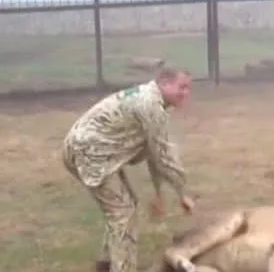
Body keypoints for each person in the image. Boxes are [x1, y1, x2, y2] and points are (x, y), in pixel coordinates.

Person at [62, 68, 197, 272]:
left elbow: (153, 151)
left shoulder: (153, 101)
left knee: (125, 208)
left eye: (188, 88)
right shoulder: (150, 105)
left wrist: (159, 193)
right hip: (92, 154)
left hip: (98, 152)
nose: (186, 93)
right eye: (182, 87)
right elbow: (164, 154)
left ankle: (106, 264)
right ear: (164, 83)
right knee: (122, 213)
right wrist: (182, 193)